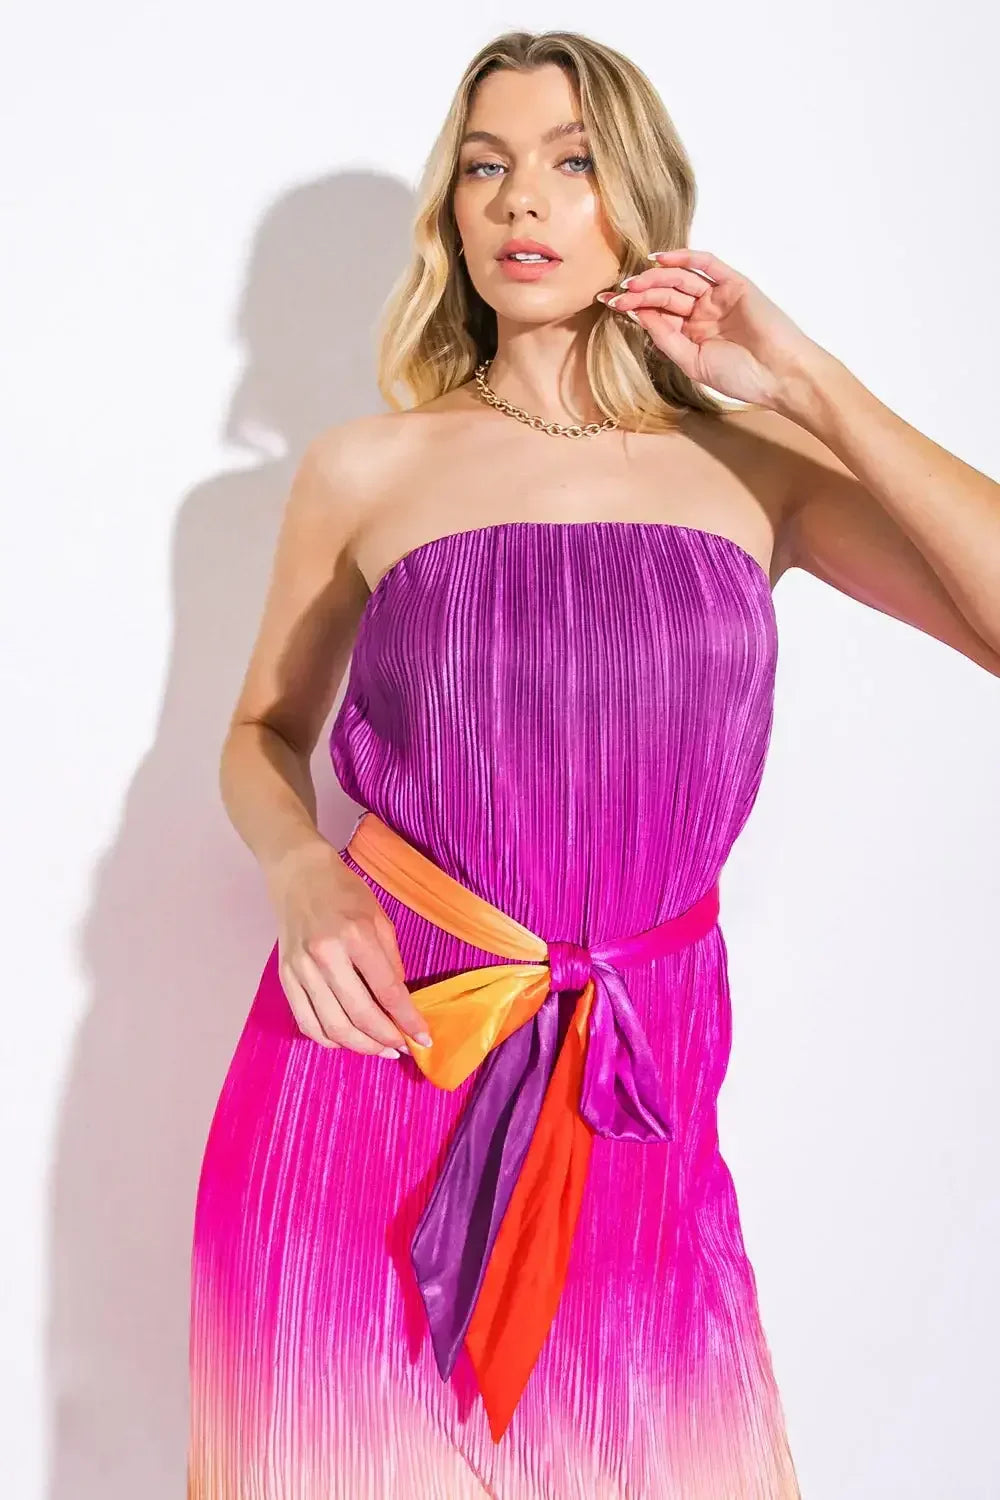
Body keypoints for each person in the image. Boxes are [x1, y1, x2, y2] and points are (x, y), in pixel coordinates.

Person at [185, 27, 1000, 1500]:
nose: (519, 203)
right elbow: (259, 735)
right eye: (484, 170)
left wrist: (806, 382)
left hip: (637, 1098)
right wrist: (302, 868)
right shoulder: (367, 470)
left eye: (567, 165)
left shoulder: (754, 474)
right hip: (378, 1062)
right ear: (451, 216)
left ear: (637, 202)